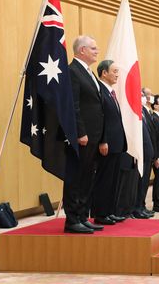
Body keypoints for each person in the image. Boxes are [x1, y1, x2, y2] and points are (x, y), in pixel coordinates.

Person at [63, 36, 105, 234]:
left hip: (94, 135)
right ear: (82, 51)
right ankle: (71, 220)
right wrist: (80, 132)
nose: (97, 51)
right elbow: (74, 105)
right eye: (93, 48)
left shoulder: (88, 73)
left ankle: (81, 216)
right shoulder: (73, 71)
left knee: (87, 177)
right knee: (76, 177)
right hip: (82, 135)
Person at [91, 60, 127, 225]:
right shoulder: (99, 90)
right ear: (104, 73)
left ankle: (110, 211)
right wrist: (103, 140)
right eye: (114, 71)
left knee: (114, 180)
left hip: (117, 144)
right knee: (104, 180)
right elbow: (100, 118)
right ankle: (100, 213)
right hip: (106, 144)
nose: (117, 74)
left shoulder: (111, 92)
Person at [133, 89, 156, 219]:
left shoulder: (145, 111)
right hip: (141, 153)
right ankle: (136, 207)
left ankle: (141, 206)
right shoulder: (136, 111)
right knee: (139, 182)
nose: (144, 98)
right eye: (141, 95)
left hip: (148, 152)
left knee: (145, 182)